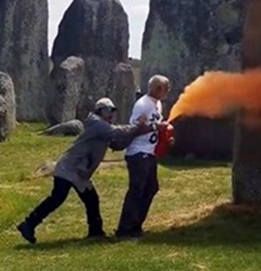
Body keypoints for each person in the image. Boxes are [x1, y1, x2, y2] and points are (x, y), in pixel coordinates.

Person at [16, 98, 150, 244]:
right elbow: (117, 132)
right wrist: (138, 127)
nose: (112, 114)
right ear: (101, 111)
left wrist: (136, 132)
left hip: (78, 171)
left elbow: (118, 143)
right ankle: (29, 224)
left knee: (88, 199)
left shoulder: (102, 126)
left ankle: (95, 231)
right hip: (70, 168)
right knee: (58, 199)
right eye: (109, 111)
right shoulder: (98, 124)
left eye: (113, 111)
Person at [115, 74, 172, 238]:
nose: (168, 91)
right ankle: (125, 229)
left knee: (151, 188)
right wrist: (156, 127)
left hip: (149, 152)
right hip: (138, 153)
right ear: (157, 88)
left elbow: (155, 128)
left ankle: (136, 225)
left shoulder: (158, 104)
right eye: (166, 88)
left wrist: (165, 137)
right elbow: (135, 128)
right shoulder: (143, 105)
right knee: (137, 190)